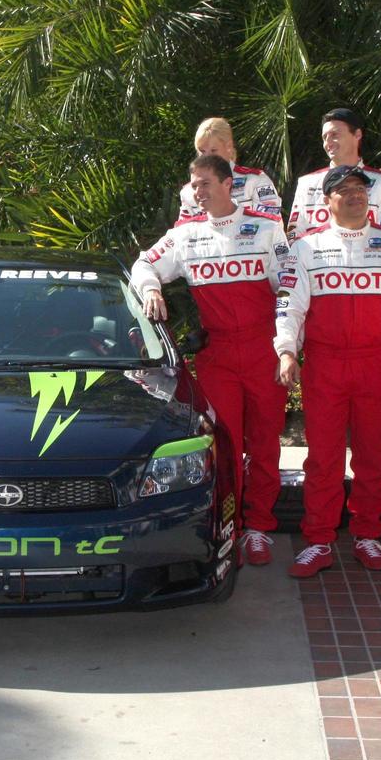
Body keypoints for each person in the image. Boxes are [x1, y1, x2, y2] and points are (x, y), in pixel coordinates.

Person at [132, 154, 292, 567]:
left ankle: (260, 528)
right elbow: (143, 263)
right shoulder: (185, 235)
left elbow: (292, 289)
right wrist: (151, 289)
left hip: (263, 351)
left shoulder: (266, 228)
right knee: (224, 447)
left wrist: (288, 347)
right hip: (218, 354)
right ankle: (231, 530)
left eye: (204, 183)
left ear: (227, 184)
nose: (196, 192)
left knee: (264, 444)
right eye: (193, 185)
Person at [275, 166, 381, 576]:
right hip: (325, 363)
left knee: (373, 457)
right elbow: (290, 304)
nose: (356, 195)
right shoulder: (305, 248)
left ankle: (368, 537)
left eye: (361, 189)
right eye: (345, 190)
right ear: (327, 201)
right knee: (323, 458)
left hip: (377, 363)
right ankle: (318, 540)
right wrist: (286, 351)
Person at [286, 107, 381, 240]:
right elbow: (294, 236)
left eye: (334, 135)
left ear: (357, 135)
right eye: (325, 137)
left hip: (367, 259)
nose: (328, 143)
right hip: (319, 260)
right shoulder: (306, 183)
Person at [176, 117, 282, 221]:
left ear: (229, 147)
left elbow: (272, 224)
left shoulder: (256, 180)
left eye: (213, 150)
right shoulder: (188, 192)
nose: (207, 157)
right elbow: (182, 234)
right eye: (202, 151)